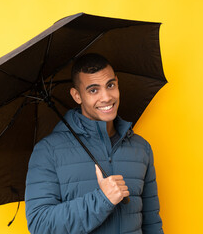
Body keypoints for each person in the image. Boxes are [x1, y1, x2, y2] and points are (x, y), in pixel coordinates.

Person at [25, 53, 163, 234]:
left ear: (117, 83)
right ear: (77, 95)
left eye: (110, 85)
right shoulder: (48, 151)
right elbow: (39, 225)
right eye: (93, 90)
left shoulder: (140, 148)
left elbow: (152, 223)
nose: (106, 97)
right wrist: (102, 199)